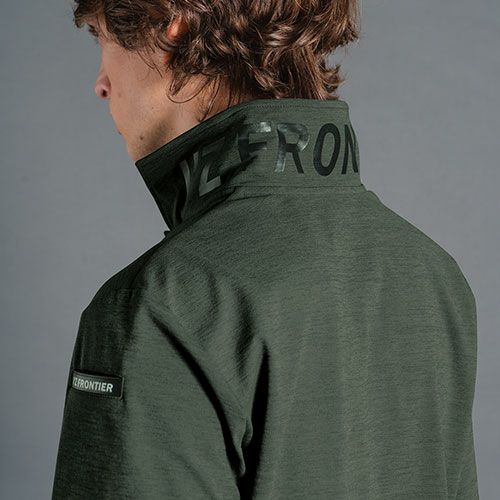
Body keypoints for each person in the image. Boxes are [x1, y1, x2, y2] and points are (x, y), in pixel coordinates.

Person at [51, 1, 479, 499]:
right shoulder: (434, 275)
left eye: (102, 39)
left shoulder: (162, 304)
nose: (101, 83)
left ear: (173, 28)